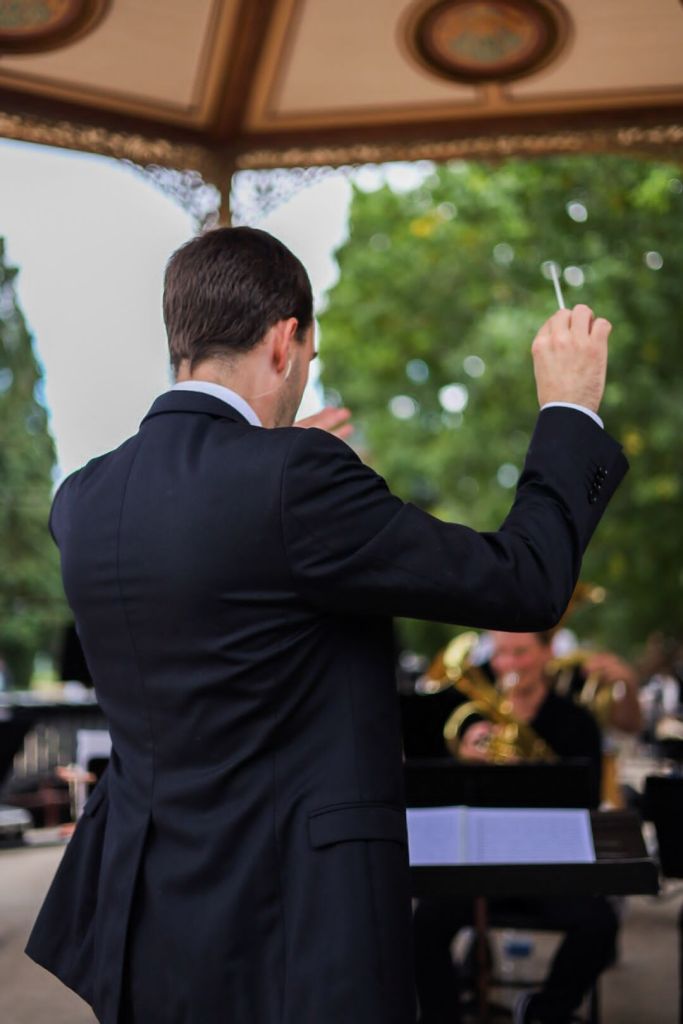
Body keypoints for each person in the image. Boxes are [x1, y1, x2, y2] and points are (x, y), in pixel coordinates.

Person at [26, 226, 627, 1024]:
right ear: (285, 341)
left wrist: (270, 470)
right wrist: (568, 409)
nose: (304, 376)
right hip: (294, 930)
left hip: (145, 925)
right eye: (307, 360)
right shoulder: (297, 479)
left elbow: (216, 562)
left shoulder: (84, 498)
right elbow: (524, 581)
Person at [414, 630, 618, 1024]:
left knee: (600, 924)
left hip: (549, 867)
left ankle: (543, 1011)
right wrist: (463, 759)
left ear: (546, 654)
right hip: (479, 865)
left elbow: (587, 799)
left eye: (521, 653)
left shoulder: (576, 722)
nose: (509, 665)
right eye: (502, 654)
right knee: (424, 923)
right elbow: (438, 788)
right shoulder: (472, 718)